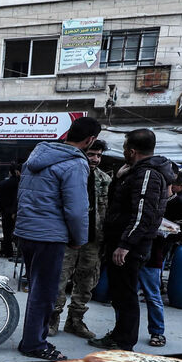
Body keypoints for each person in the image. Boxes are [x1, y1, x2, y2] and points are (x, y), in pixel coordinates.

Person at [12, 116, 100, 361]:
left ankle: (33, 338)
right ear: (90, 140)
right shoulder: (75, 163)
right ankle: (34, 344)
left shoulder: (36, 156)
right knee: (46, 293)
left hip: (26, 232)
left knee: (37, 289)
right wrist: (79, 239)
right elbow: (76, 209)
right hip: (49, 236)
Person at [91, 128, 172, 352]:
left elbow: (143, 214)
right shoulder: (136, 172)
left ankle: (125, 343)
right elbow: (122, 203)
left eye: (126, 148)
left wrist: (125, 245)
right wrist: (119, 178)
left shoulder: (148, 174)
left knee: (126, 295)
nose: (124, 151)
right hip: (122, 242)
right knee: (119, 294)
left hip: (130, 247)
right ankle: (119, 335)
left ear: (132, 150)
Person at [50, 138, 112, 339]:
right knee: (58, 280)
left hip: (93, 240)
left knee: (87, 282)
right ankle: (52, 319)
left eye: (99, 155)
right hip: (67, 238)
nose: (95, 159)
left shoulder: (105, 180)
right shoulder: (69, 174)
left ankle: (75, 321)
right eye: (91, 154)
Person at [139, 173, 182, 348]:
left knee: (153, 296)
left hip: (154, 255)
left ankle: (157, 332)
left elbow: (181, 233)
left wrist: (161, 231)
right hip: (132, 253)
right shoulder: (145, 200)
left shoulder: (180, 205)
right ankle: (122, 330)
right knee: (127, 296)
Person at [0, 163, 21, 258]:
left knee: (7, 233)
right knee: (20, 233)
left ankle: (8, 253)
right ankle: (20, 253)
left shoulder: (4, 183)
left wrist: (1, 209)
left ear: (11, 172)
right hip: (20, 212)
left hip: (6, 212)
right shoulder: (24, 184)